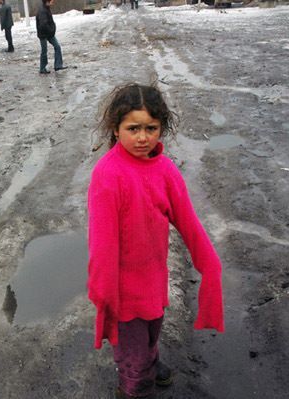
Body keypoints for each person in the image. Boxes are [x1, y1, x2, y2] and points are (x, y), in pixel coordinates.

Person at [87, 83, 224, 399]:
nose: (142, 137)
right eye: (132, 128)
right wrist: (104, 293)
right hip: (120, 290)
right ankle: (135, 385)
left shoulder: (164, 169)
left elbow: (188, 221)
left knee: (151, 333)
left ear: (162, 127)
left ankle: (149, 361)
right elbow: (102, 243)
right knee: (134, 365)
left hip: (153, 279)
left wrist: (210, 263)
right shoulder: (108, 175)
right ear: (116, 128)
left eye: (151, 128)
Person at [36, 0, 66, 74]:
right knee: (44, 51)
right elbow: (43, 25)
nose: (54, 1)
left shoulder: (46, 7)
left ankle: (58, 65)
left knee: (57, 46)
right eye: (52, 0)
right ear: (47, 1)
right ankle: (42, 68)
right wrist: (51, 30)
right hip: (43, 34)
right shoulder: (42, 10)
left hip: (49, 33)